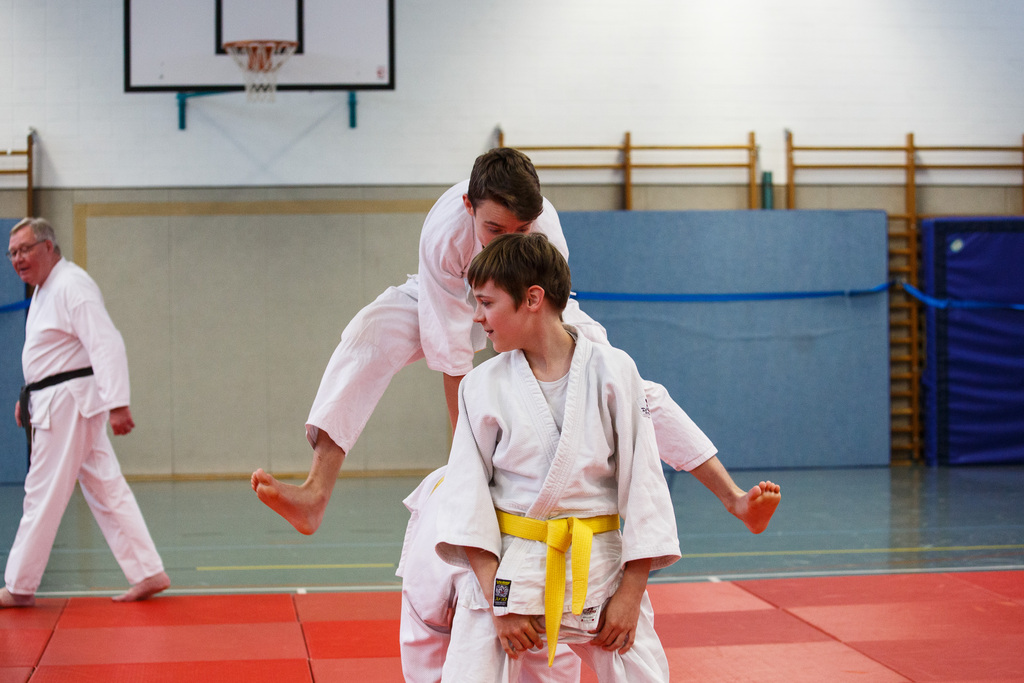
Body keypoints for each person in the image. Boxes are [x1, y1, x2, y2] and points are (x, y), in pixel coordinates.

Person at [250, 148, 780, 679]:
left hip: (528, 304)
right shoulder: (443, 236)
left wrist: (563, 351)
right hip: (457, 294)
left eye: (521, 229)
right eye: (494, 228)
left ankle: (733, 497)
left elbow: (549, 304)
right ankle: (317, 491)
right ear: (469, 207)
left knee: (634, 388)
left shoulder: (543, 232)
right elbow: (453, 357)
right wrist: (471, 466)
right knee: (369, 334)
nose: (509, 237)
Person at [435, 232, 680, 682]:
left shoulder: (614, 371)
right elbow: (466, 501)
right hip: (509, 568)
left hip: (601, 568)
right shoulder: (480, 386)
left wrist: (631, 593)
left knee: (643, 672)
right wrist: (499, 603)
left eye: (486, 303)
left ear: (532, 298)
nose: (477, 316)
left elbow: (644, 484)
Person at [1, 218, 169, 609]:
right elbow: (52, 354)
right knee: (106, 487)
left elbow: (105, 342)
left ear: (48, 247)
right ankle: (147, 570)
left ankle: (20, 585)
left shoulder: (71, 284)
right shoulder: (46, 289)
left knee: (42, 492)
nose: (17, 259)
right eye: (11, 253)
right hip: (59, 399)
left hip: (68, 403)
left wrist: (118, 403)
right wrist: (28, 395)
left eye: (24, 249)